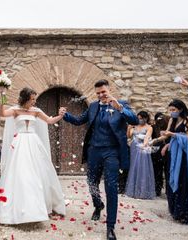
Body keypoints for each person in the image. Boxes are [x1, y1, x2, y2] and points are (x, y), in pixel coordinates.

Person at [60, 79, 138, 240]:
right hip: (94, 150)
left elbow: (134, 120)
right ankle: (98, 205)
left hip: (112, 152)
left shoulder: (120, 104)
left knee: (111, 187)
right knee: (92, 182)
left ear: (109, 90)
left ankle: (110, 227)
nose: (101, 95)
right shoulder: (93, 106)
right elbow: (79, 120)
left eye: (104, 92)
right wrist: (65, 115)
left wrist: (121, 109)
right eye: (98, 93)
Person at [0, 87, 66, 224]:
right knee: (20, 173)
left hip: (34, 143)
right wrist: (2, 96)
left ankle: (38, 207)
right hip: (20, 144)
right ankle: (18, 207)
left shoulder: (36, 111)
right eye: (32, 99)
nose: (34, 101)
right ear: (25, 98)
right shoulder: (16, 110)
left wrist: (60, 115)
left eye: (35, 99)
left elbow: (50, 121)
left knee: (37, 172)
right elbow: (3, 113)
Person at [151, 99, 188, 224]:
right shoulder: (172, 120)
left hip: (184, 154)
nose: (171, 112)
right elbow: (166, 135)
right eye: (170, 110)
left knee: (182, 180)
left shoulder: (187, 120)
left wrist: (173, 135)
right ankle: (175, 211)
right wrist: (154, 140)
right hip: (173, 153)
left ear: (181, 109)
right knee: (171, 177)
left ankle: (184, 212)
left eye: (174, 110)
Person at [125, 111, 156, 199]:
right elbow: (129, 136)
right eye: (138, 118)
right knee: (133, 167)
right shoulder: (135, 126)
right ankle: (133, 190)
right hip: (133, 147)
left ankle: (142, 191)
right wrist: (128, 128)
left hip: (142, 147)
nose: (140, 120)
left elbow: (147, 137)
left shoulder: (149, 127)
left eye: (141, 118)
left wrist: (144, 145)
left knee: (142, 168)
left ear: (145, 118)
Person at [151, 112, 169, 196]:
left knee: (166, 171)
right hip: (157, 152)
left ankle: (167, 190)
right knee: (157, 171)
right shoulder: (154, 127)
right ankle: (157, 189)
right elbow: (153, 139)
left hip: (166, 151)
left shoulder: (169, 129)